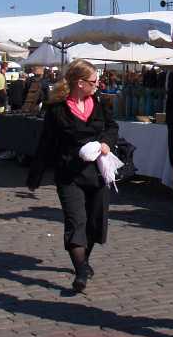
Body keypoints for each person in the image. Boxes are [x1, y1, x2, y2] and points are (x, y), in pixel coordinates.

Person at [27, 60, 119, 294]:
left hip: (97, 172)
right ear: (80, 83)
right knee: (75, 220)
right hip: (70, 173)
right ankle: (80, 271)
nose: (98, 85)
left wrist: (107, 142)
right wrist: (36, 175)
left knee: (93, 222)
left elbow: (112, 127)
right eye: (94, 82)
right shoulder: (57, 110)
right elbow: (46, 142)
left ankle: (84, 261)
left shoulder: (98, 103)